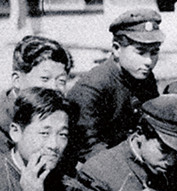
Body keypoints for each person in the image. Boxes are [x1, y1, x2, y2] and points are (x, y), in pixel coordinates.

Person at [68, 9, 162, 161]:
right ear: (117, 49)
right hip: (99, 167)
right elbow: (88, 148)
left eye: (154, 52)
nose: (149, 61)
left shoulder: (144, 77)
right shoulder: (92, 88)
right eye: (140, 52)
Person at [0, 35, 73, 155]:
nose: (53, 88)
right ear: (17, 80)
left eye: (61, 80)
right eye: (45, 78)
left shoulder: (62, 117)